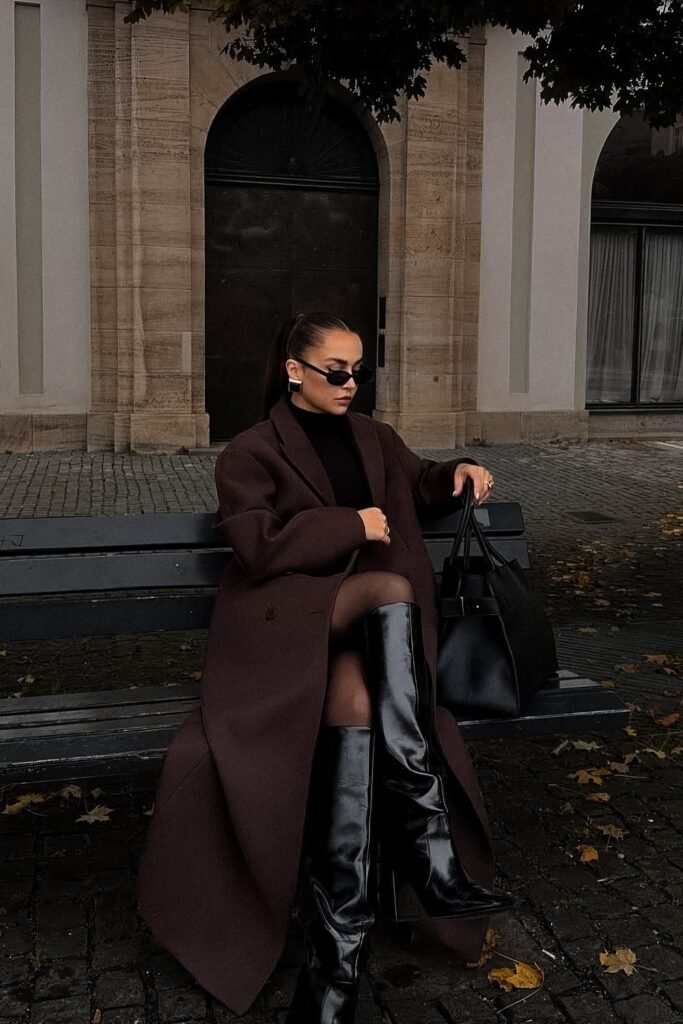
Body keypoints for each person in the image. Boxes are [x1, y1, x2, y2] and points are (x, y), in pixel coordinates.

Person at [136, 311, 515, 1023]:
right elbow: (255, 544)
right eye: (334, 371)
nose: (348, 383)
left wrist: (455, 470)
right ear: (293, 370)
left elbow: (420, 478)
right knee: (391, 587)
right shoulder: (251, 451)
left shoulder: (373, 436)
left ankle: (334, 961)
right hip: (285, 629)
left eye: (357, 370)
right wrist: (350, 525)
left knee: (361, 702)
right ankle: (426, 842)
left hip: (365, 648)